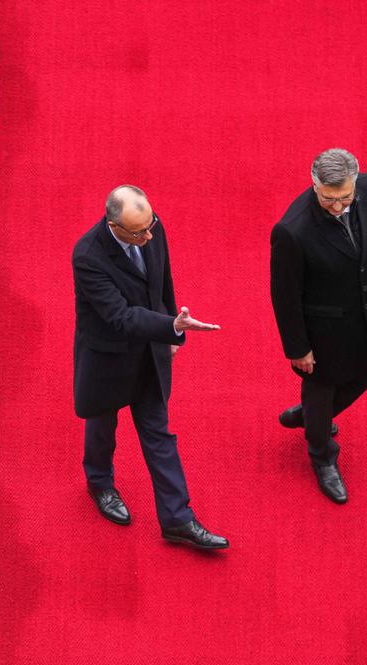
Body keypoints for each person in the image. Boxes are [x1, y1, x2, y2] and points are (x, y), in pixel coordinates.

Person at [73, 185, 229, 550]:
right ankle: (99, 484)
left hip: (149, 355)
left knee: (159, 435)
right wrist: (171, 328)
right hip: (108, 360)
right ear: (114, 226)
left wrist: (172, 331)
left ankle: (178, 519)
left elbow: (163, 284)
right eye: (139, 232)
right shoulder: (88, 256)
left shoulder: (151, 229)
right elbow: (120, 317)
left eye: (150, 225)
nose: (149, 235)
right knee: (102, 428)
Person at [269, 148, 367, 503]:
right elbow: (284, 295)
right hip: (324, 330)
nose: (337, 205)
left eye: (345, 197)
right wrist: (298, 348)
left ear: (356, 182)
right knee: (322, 389)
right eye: (328, 198)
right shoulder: (291, 230)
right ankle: (322, 456)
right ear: (314, 185)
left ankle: (310, 415)